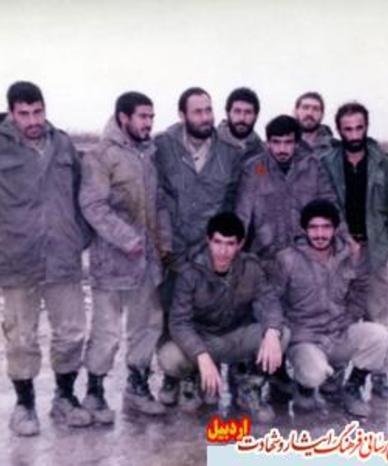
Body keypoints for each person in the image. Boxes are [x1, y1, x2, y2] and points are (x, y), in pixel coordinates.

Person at [0, 81, 91, 436]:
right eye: (24, 114)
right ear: (11, 114)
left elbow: (81, 190)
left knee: (71, 333)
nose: (33, 120)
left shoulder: (62, 143)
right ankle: (24, 406)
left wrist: (79, 235)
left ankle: (65, 397)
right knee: (21, 337)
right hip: (17, 255)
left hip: (62, 257)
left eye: (38, 112)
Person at [79, 92, 166, 422]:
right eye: (142, 117)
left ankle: (137, 387)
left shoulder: (150, 154)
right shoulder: (100, 156)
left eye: (151, 117)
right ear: (123, 117)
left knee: (147, 326)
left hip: (147, 263)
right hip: (112, 263)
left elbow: (159, 205)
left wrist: (164, 244)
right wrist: (126, 238)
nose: (148, 123)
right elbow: (93, 205)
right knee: (107, 331)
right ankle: (95, 391)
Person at [154, 87, 242, 400]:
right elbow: (156, 196)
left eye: (209, 110)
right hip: (171, 251)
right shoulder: (163, 146)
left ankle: (205, 375)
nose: (206, 118)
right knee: (169, 315)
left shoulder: (229, 154)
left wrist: (221, 250)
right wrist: (165, 243)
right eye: (198, 112)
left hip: (208, 254)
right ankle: (173, 376)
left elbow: (231, 204)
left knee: (206, 314)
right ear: (182, 115)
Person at [157, 212, 288, 422]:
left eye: (230, 244)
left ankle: (249, 385)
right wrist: (201, 355)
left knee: (281, 334)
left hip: (236, 336)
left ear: (240, 244)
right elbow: (179, 322)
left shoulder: (251, 268)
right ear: (208, 240)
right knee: (170, 357)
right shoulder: (190, 271)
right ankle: (194, 376)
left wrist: (272, 331)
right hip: (203, 340)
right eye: (217, 242)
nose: (223, 251)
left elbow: (270, 302)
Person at [273, 199, 388, 417]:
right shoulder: (287, 259)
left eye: (326, 227)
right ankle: (304, 388)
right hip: (305, 339)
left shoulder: (348, 255)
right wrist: (286, 332)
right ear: (304, 229)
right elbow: (272, 300)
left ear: (335, 229)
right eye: (314, 227)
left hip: (337, 334)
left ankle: (352, 387)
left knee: (379, 336)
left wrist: (348, 319)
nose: (320, 234)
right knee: (314, 374)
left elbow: (360, 289)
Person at [321, 101, 388, 401]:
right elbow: (326, 205)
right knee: (340, 312)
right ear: (339, 130)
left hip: (374, 251)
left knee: (377, 314)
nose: (354, 134)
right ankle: (337, 371)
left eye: (359, 127)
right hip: (341, 249)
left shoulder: (385, 163)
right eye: (348, 129)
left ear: (366, 127)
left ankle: (380, 375)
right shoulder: (327, 162)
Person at [235, 115, 340, 270]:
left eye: (288, 142)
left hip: (306, 258)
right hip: (266, 258)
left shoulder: (312, 167)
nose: (282, 149)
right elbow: (242, 215)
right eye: (276, 142)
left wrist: (341, 244)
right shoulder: (253, 169)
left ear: (296, 143)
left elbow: (332, 209)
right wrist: (234, 253)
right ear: (268, 143)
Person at [216, 87, 265, 163]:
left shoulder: (262, 153)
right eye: (237, 111)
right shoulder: (209, 146)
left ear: (256, 116)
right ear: (227, 113)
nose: (242, 118)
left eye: (248, 112)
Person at [294, 91, 337, 158]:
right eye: (305, 107)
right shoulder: (282, 145)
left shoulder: (335, 148)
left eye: (315, 109)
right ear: (296, 111)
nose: (309, 113)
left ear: (322, 114)